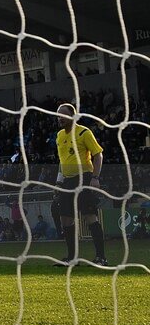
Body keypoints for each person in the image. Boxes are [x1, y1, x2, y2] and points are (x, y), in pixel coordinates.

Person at [53, 103, 108, 266]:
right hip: (67, 181)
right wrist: (58, 181)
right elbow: (62, 161)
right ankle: (72, 258)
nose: (60, 117)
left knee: (89, 216)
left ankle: (101, 258)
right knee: (65, 219)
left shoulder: (84, 132)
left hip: (84, 178)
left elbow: (98, 155)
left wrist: (95, 177)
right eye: (58, 115)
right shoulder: (59, 136)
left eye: (63, 114)